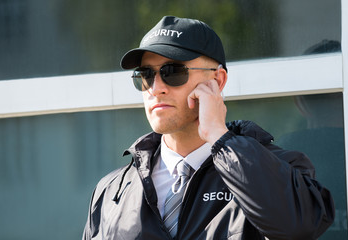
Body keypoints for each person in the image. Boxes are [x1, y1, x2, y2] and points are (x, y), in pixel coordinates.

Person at [82, 16, 334, 240]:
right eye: (146, 74)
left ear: (217, 80)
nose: (156, 87)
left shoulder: (277, 168)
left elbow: (299, 227)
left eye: (172, 71)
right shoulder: (111, 189)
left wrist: (219, 136)